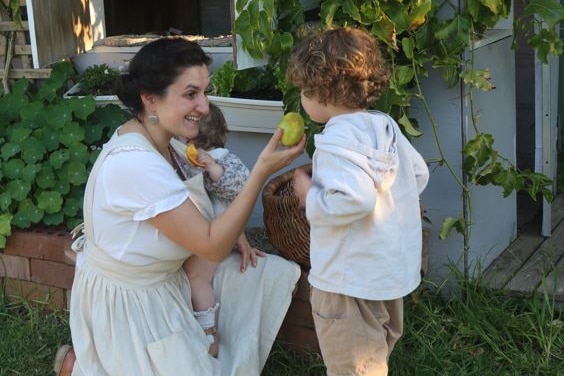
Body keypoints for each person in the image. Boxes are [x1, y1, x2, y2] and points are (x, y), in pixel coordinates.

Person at [54, 36, 305, 376]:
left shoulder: (167, 141)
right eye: (190, 94)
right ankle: (86, 364)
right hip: (132, 304)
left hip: (168, 280)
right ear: (150, 99)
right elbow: (213, 246)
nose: (204, 106)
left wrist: (235, 229)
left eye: (204, 91)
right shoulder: (135, 164)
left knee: (261, 274)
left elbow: (197, 206)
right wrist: (260, 171)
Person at [287, 27, 429, 375]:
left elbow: (355, 200)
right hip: (384, 273)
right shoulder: (384, 126)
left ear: (321, 92)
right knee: (373, 357)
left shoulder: (335, 140)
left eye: (304, 91)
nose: (303, 101)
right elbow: (420, 174)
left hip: (345, 282)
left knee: (353, 366)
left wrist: (310, 196)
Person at [178, 103, 267, 357]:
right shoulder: (184, 158)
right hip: (197, 231)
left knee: (198, 278)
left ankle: (209, 333)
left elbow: (241, 189)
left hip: (217, 235)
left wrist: (212, 168)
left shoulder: (222, 158)